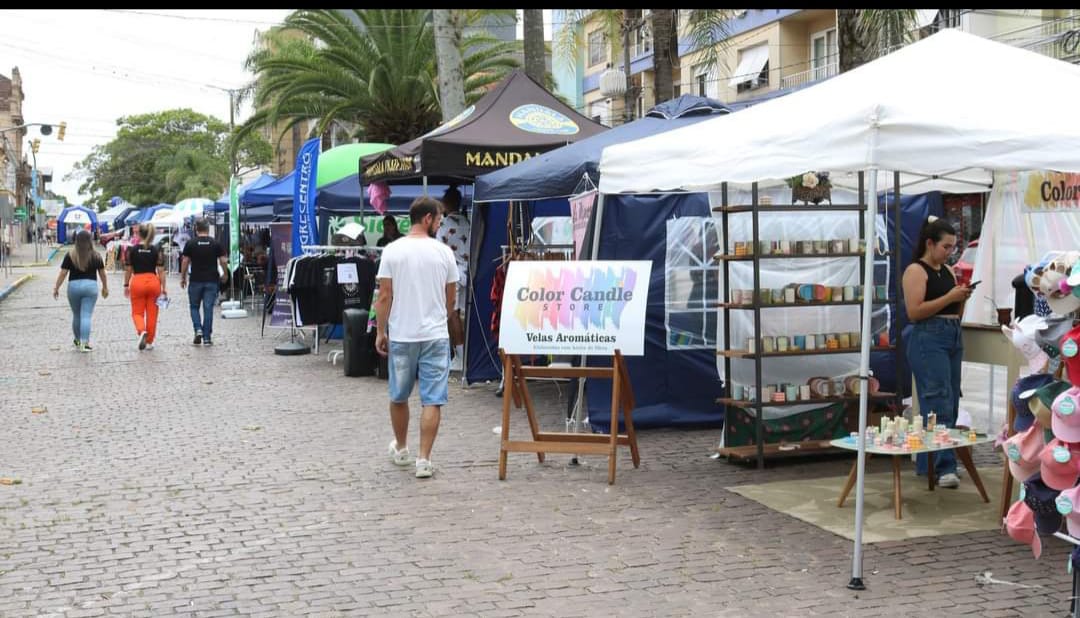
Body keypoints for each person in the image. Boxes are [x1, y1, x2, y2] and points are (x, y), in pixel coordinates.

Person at [375, 197, 462, 479]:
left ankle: (401, 448)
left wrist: (380, 330)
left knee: (399, 396)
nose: (440, 223)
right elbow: (452, 299)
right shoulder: (444, 253)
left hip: (402, 333)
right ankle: (424, 459)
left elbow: (385, 295)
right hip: (435, 334)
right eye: (438, 219)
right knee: (432, 400)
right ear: (427, 219)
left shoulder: (392, 251)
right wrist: (441, 316)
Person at [902, 216, 973, 489]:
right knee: (937, 400)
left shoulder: (947, 270)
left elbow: (952, 311)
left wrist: (961, 299)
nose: (950, 252)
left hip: (951, 333)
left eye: (953, 247)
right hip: (928, 337)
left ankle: (930, 462)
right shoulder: (915, 271)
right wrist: (949, 298)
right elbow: (915, 311)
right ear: (929, 244)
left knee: (951, 399)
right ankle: (944, 466)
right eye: (946, 246)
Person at [53, 229, 108, 352]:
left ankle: (77, 340)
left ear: (76, 241)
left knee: (76, 315)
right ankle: (84, 343)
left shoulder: (70, 255)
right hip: (90, 286)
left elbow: (63, 273)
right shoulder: (96, 256)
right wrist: (105, 287)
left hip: (73, 287)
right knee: (86, 316)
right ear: (90, 241)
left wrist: (56, 287)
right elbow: (102, 274)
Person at [435, 185, 470, 369]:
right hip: (468, 272)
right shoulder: (468, 222)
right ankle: (464, 354)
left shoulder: (444, 224)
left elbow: (438, 251)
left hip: (452, 274)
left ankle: (460, 356)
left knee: (452, 314)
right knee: (465, 314)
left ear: (446, 203)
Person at [180, 218, 227, 346]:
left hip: (195, 280)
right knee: (208, 308)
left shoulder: (191, 243)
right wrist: (225, 274)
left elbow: (185, 261)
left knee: (194, 307)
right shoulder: (216, 243)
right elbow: (223, 260)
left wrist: (183, 277)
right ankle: (207, 338)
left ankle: (198, 329)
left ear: (196, 229)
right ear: (207, 228)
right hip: (211, 280)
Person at [124, 223, 167, 351]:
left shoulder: (132, 250)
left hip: (137, 281)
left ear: (138, 234)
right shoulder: (156, 249)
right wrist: (164, 288)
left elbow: (128, 269)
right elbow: (161, 271)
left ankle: (142, 330)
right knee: (152, 314)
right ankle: (149, 341)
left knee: (137, 313)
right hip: (153, 282)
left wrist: (126, 285)